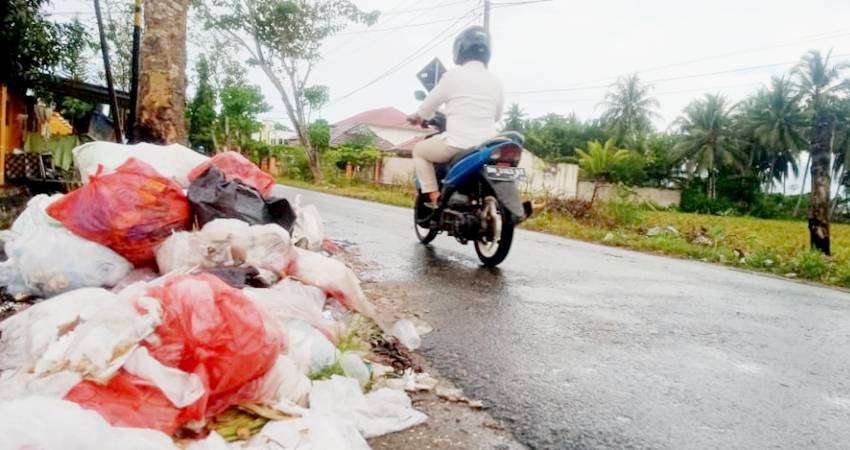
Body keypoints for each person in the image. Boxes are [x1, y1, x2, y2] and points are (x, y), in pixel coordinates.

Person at [407, 26, 505, 206]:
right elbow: (497, 116)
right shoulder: (496, 81)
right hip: (487, 146)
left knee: (419, 151)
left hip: (457, 144)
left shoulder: (452, 76)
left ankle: (434, 196)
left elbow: (430, 104)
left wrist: (418, 117)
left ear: (460, 49)